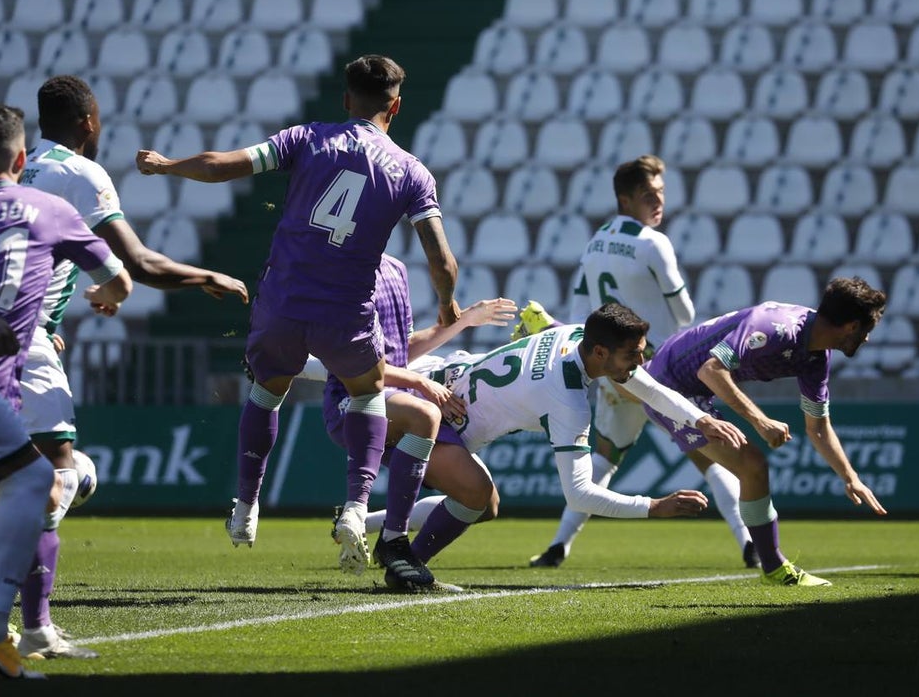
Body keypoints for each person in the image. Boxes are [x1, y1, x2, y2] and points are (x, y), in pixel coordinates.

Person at [135, 55, 461, 589]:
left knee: (267, 392)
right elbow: (440, 260)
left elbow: (220, 166)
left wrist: (167, 166)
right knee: (368, 392)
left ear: (346, 99)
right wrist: (447, 304)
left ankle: (245, 505)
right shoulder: (411, 171)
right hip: (346, 313)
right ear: (395, 107)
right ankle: (357, 507)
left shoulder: (307, 137)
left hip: (282, 303)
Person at [6, 75, 249, 661]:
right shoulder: (82, 173)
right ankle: (29, 623)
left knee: (3, 475)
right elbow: (136, 262)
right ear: (90, 122)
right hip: (23, 347)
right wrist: (207, 277)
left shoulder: (16, 170)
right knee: (60, 476)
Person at [0, 103, 131, 678]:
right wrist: (107, 297)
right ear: (21, 157)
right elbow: (120, 277)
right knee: (42, 482)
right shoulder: (52, 207)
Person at [530, 155, 759, 570]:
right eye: (649, 195)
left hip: (612, 370)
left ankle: (558, 546)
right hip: (660, 369)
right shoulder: (654, 242)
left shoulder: (595, 240)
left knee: (603, 458)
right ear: (625, 199)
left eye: (661, 194)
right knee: (706, 456)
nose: (658, 203)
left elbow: (582, 311)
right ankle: (748, 541)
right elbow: (686, 313)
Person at [404, 303, 750, 572]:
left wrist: (701, 420)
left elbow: (650, 389)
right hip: (428, 419)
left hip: (431, 376)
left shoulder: (572, 335)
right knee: (475, 496)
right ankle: (407, 564)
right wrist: (654, 507)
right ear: (600, 353)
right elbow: (580, 494)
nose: (641, 361)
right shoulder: (567, 399)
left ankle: (364, 524)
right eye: (633, 354)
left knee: (484, 504)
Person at [640, 277, 890, 586]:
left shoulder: (816, 357)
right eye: (867, 330)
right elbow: (711, 370)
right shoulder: (776, 326)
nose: (866, 339)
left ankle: (771, 565)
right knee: (753, 465)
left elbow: (819, 428)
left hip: (695, 387)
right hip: (668, 383)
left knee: (752, 466)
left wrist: (850, 478)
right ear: (852, 326)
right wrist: (761, 421)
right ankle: (773, 567)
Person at [292, 253, 515, 589]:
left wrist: (465, 319)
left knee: (480, 497)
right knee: (425, 413)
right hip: (354, 399)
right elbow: (347, 361)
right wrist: (420, 382)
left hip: (399, 403)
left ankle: (403, 569)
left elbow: (402, 350)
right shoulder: (338, 270)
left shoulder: (396, 268)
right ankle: (394, 543)